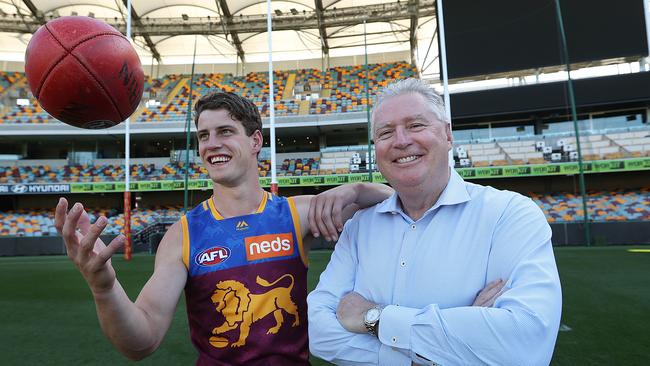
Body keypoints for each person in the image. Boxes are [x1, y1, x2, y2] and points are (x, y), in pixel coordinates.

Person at [55, 91, 394, 365]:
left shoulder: (297, 213)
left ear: (255, 141)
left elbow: (393, 200)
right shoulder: (182, 236)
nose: (211, 144)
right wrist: (104, 289)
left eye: (225, 131)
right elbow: (141, 342)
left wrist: (357, 188)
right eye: (203, 136)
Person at [308, 78, 562, 366]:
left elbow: (524, 346)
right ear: (375, 146)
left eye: (416, 125)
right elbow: (318, 330)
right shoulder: (359, 228)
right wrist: (451, 343)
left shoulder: (509, 214)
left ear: (447, 134)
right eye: (386, 132)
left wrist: (375, 318)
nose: (401, 140)